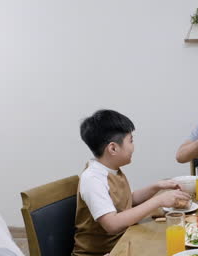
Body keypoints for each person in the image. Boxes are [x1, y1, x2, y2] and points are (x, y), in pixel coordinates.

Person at [73, 109, 190, 256]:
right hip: (101, 252)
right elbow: (112, 224)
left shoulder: (112, 170)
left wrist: (157, 186)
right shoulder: (93, 179)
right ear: (113, 148)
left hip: (122, 243)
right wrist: (159, 201)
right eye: (131, 141)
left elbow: (128, 200)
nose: (133, 147)